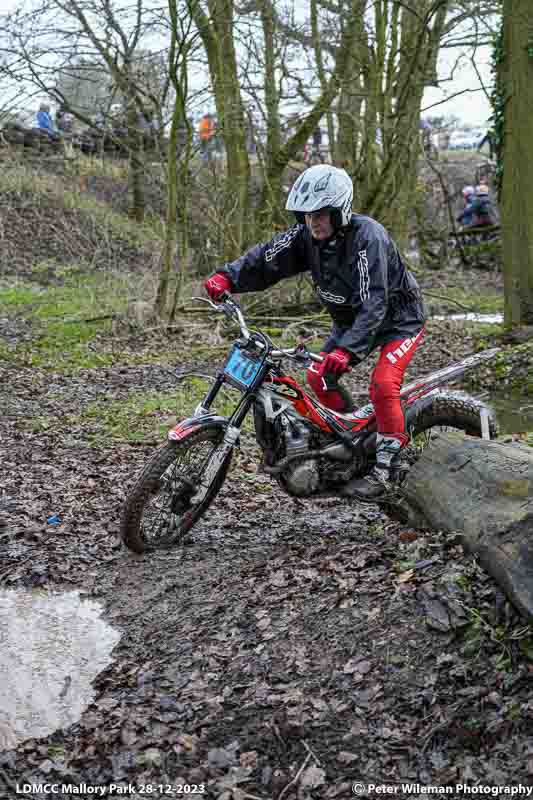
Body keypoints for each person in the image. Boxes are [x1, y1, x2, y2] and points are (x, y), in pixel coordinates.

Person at [204, 164, 426, 500]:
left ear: (340, 211)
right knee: (318, 377)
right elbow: (267, 258)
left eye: (321, 214)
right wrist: (228, 278)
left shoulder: (369, 237)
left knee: (383, 384)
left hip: (398, 321)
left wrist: (346, 351)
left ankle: (385, 470)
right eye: (306, 215)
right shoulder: (307, 237)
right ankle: (350, 441)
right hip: (352, 322)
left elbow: (376, 301)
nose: (313, 222)